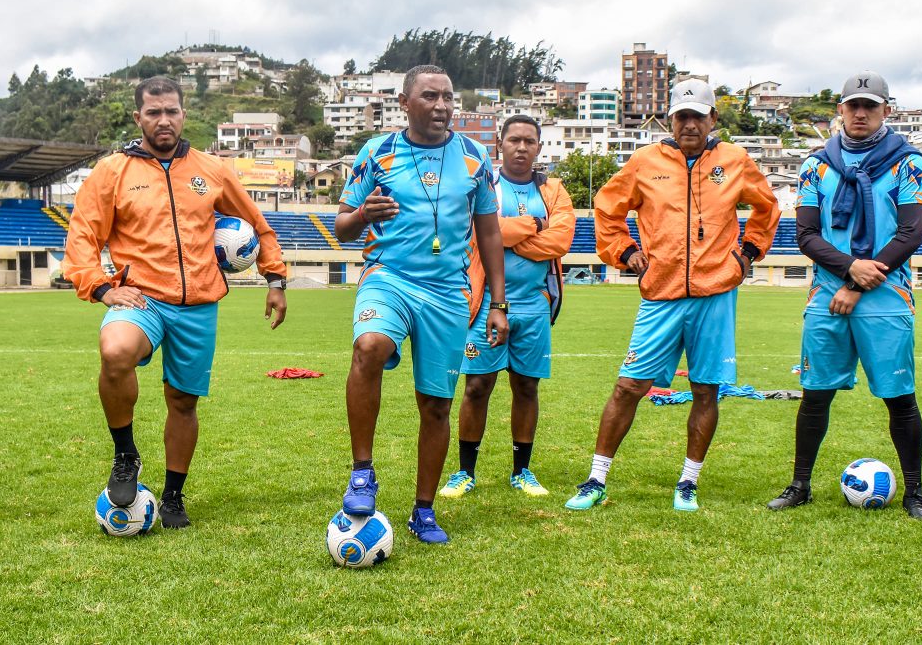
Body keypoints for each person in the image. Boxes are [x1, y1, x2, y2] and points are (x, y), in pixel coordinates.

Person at [63, 76, 287, 529]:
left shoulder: (212, 170)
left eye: (171, 111)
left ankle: (173, 497)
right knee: (115, 351)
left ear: (184, 114)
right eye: (153, 112)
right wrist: (103, 287)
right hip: (141, 297)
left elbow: (257, 225)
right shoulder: (112, 172)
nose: (163, 120)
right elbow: (82, 237)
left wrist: (275, 277)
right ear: (138, 117)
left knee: (183, 402)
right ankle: (125, 454)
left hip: (199, 304)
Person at [565, 78, 780, 512]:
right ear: (670, 118)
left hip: (715, 293)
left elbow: (767, 207)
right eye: (682, 116)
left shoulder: (734, 160)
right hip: (660, 293)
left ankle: (688, 482)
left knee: (705, 391)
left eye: (698, 116)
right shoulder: (645, 161)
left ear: (712, 119)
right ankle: (596, 478)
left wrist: (747, 254)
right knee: (628, 387)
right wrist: (625, 251)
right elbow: (608, 208)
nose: (689, 125)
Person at [333, 65, 508, 544]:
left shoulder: (474, 158)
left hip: (448, 293)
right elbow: (342, 226)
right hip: (388, 277)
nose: (442, 106)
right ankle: (363, 472)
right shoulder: (377, 152)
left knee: (435, 406)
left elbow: (489, 231)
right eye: (430, 96)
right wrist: (363, 213)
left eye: (448, 97)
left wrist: (498, 302)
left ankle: (423, 510)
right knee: (368, 346)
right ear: (405, 103)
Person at [766, 71, 922, 519]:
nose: (861, 114)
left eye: (871, 106)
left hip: (883, 293)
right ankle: (800, 484)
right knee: (815, 393)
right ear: (839, 110)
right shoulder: (815, 165)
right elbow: (805, 234)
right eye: (853, 106)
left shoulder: (909, 162)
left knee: (900, 397)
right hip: (827, 292)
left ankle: (915, 492)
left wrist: (857, 283)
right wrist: (848, 272)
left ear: (887, 111)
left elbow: (911, 231)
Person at [438, 115, 575, 499]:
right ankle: (465, 472)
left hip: (534, 305)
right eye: (513, 140)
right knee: (477, 386)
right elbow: (476, 236)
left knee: (527, 387)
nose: (521, 147)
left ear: (539, 148)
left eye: (529, 141)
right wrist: (529, 227)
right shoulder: (485, 185)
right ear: (499, 145)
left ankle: (522, 471)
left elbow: (560, 241)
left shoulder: (554, 190)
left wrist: (502, 234)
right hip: (484, 304)